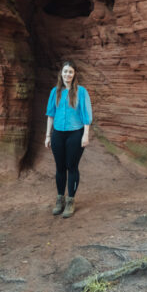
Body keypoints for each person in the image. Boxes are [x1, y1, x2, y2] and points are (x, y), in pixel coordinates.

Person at [45, 61, 92, 218]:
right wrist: (48, 135)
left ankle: (70, 200)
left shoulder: (81, 91)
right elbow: (50, 115)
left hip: (75, 134)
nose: (67, 75)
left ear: (74, 74)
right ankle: (60, 199)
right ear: (61, 74)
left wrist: (85, 134)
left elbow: (86, 115)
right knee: (60, 167)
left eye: (70, 72)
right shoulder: (55, 92)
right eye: (65, 72)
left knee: (72, 167)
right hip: (58, 134)